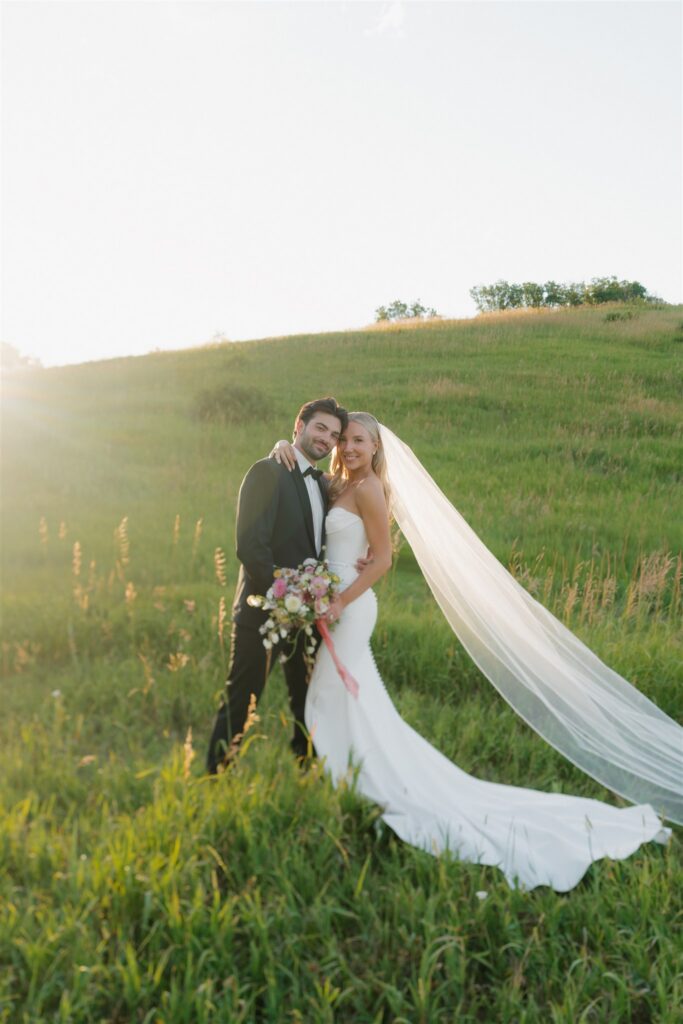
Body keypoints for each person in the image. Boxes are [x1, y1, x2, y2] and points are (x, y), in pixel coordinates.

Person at [269, 413, 675, 892]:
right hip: (331, 603)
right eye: (345, 439)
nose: (350, 447)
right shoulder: (336, 482)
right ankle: (349, 780)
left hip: (351, 609)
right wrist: (282, 444)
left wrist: (339, 598)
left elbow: (382, 559)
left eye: (360, 440)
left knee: (326, 695)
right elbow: (308, 484)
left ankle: (353, 785)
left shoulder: (369, 489)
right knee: (352, 701)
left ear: (377, 449)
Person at [205, 396, 347, 774]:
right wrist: (289, 597)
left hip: (307, 617)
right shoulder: (267, 472)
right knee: (242, 700)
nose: (327, 439)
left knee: (307, 700)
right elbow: (250, 548)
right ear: (298, 427)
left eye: (334, 434)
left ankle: (308, 774)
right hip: (262, 614)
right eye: (320, 428)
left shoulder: (322, 484)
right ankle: (213, 780)